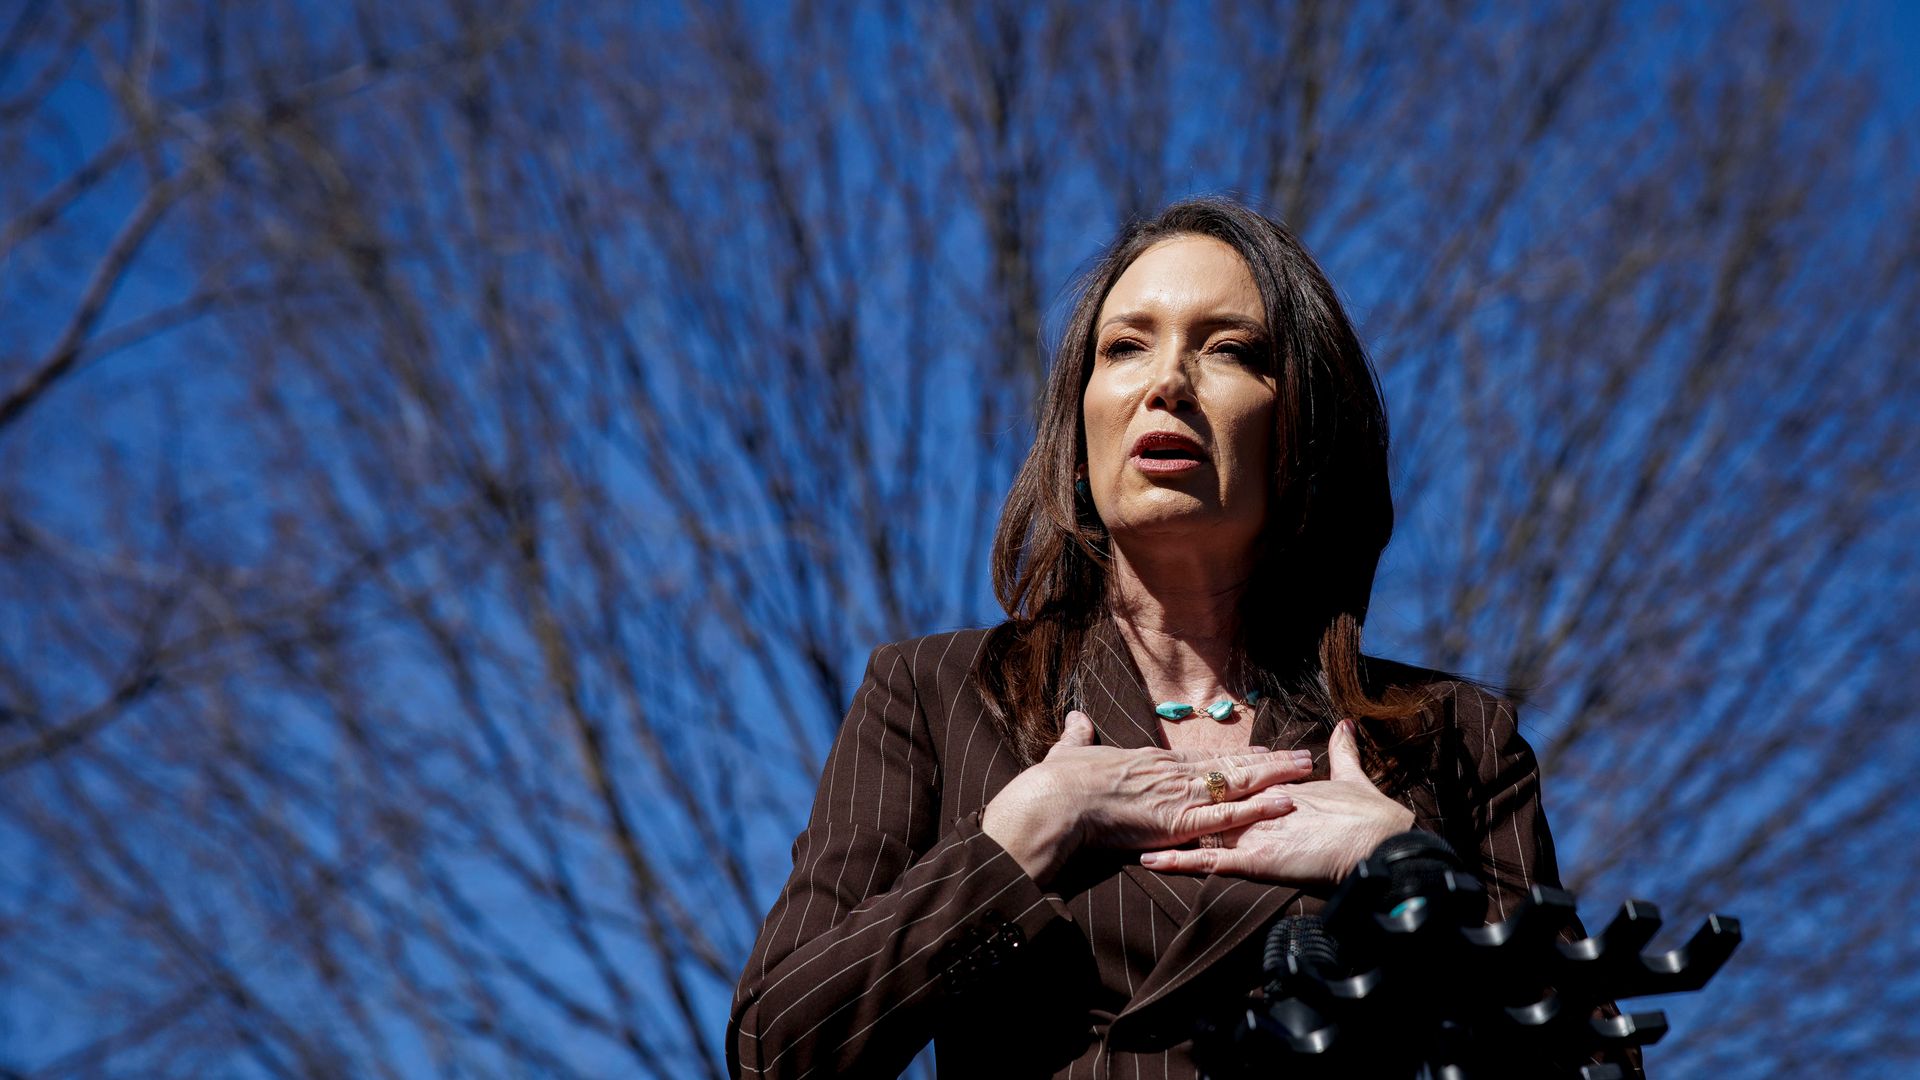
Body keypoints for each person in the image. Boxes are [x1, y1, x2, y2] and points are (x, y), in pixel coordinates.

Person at [727, 197, 1632, 1079]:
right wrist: (1019, 838)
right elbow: (776, 1049)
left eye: (1229, 350)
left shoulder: (1454, 740)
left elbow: (1594, 1061)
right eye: (1125, 347)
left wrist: (1403, 867)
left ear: (1304, 427)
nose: (1166, 383)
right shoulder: (934, 694)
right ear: (1079, 428)